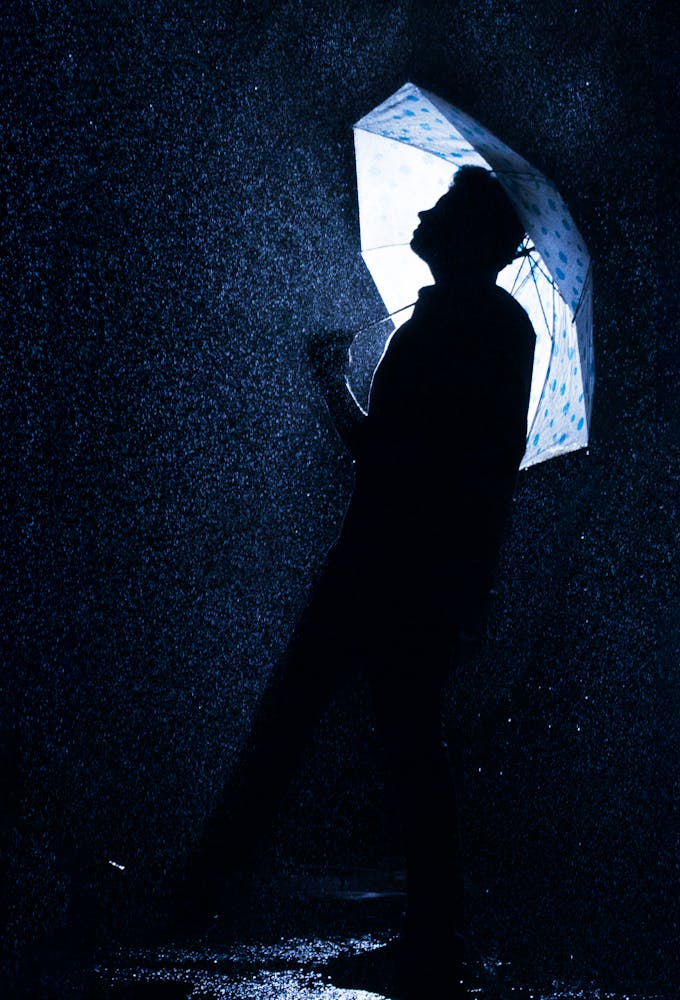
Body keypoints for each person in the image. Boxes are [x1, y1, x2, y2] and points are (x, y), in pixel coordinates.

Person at [178, 165, 536, 998]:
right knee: (404, 742)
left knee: (311, 725)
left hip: (385, 565)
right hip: (423, 569)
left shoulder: (452, 323)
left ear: (473, 236)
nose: (423, 210)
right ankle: (432, 933)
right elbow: (477, 467)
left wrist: (330, 381)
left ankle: (207, 890)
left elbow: (388, 458)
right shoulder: (495, 324)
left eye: (443, 207)